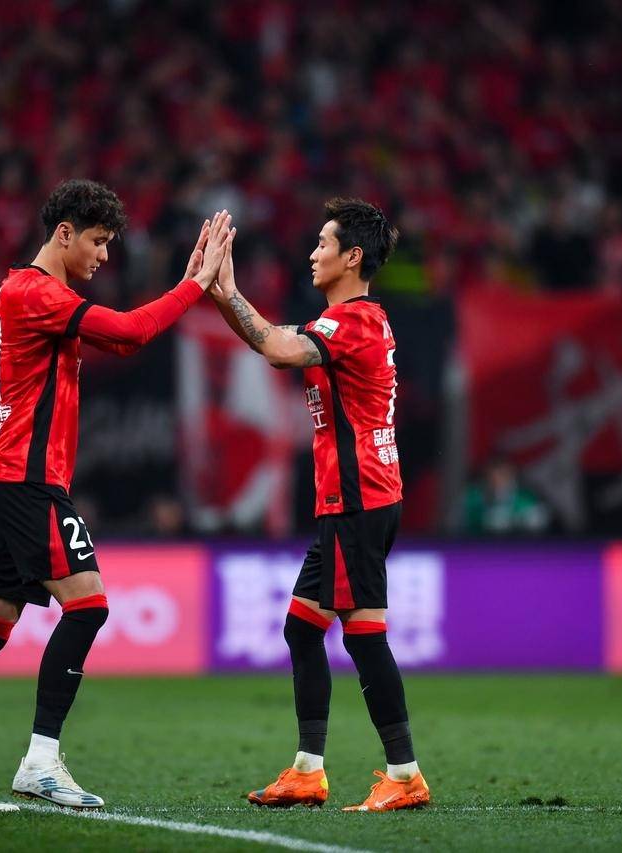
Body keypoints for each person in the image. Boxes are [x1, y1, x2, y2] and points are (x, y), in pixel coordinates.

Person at [0, 180, 233, 812]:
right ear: (64, 233)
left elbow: (117, 338)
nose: (104, 256)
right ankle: (40, 761)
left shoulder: (33, 292)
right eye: (97, 241)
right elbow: (128, 333)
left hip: (9, 476)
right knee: (87, 605)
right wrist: (195, 284)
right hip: (27, 481)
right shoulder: (34, 291)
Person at [210, 198, 430, 812]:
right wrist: (223, 293)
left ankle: (405, 774)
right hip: (354, 500)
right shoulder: (347, 322)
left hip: (359, 499)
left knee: (364, 636)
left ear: (352, 257)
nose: (312, 254)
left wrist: (226, 290)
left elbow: (278, 349)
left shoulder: (353, 322)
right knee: (302, 630)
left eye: (323, 243)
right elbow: (272, 341)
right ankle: (308, 770)